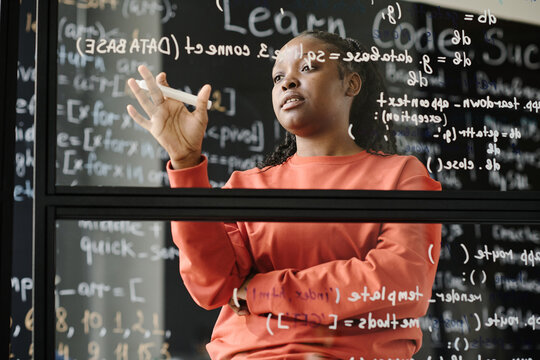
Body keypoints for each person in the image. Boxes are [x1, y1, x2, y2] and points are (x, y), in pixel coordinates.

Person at [127, 30, 441, 360]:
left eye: (307, 68)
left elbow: (402, 285)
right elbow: (213, 286)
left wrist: (263, 291)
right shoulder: (246, 186)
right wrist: (186, 163)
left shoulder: (402, 175)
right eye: (279, 77)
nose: (288, 82)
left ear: (351, 84)